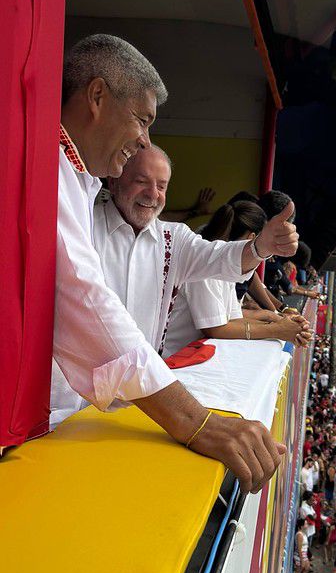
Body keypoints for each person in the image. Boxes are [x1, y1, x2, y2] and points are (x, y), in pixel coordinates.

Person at [53, 33, 300, 494]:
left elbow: (220, 258)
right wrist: (194, 421)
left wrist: (261, 247)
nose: (153, 194)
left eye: (162, 187)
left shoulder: (170, 237)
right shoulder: (67, 188)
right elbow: (83, 298)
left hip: (126, 406)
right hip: (63, 407)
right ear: (98, 96)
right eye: (142, 120)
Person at [162, 199, 312, 356]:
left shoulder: (227, 268)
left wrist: (281, 322)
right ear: (251, 237)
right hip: (172, 360)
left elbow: (233, 319)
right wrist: (277, 329)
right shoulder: (207, 264)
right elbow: (216, 329)